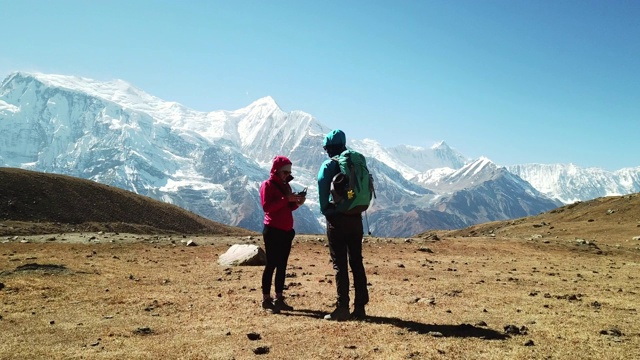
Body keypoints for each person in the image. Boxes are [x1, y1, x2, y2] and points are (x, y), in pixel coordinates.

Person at [317, 129, 369, 321]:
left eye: (326, 148)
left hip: (337, 221)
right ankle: (360, 308)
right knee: (356, 261)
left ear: (330, 148)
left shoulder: (329, 165)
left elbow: (323, 195)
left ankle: (342, 307)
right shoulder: (355, 163)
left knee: (340, 264)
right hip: (356, 218)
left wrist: (328, 210)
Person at [259, 155, 305, 314]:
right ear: (277, 171)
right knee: (271, 264)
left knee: (282, 265)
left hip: (286, 231)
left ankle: (279, 297)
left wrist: (297, 203)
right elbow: (267, 207)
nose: (287, 175)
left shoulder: (286, 186)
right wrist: (286, 199)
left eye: (289, 172)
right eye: (285, 172)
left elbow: (287, 208)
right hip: (273, 230)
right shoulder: (268, 185)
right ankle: (266, 299)